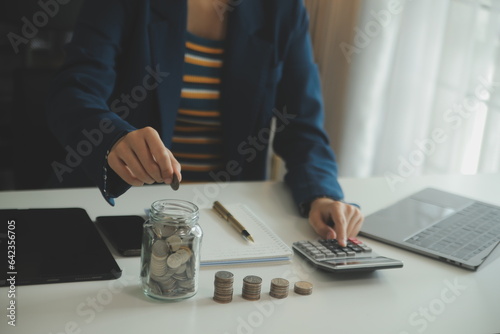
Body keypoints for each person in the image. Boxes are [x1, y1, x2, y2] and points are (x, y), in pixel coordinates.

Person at [47, 0, 363, 246]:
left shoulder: (281, 8)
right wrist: (113, 136)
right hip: (130, 213)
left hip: (228, 216)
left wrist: (321, 194)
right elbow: (74, 89)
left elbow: (303, 126)